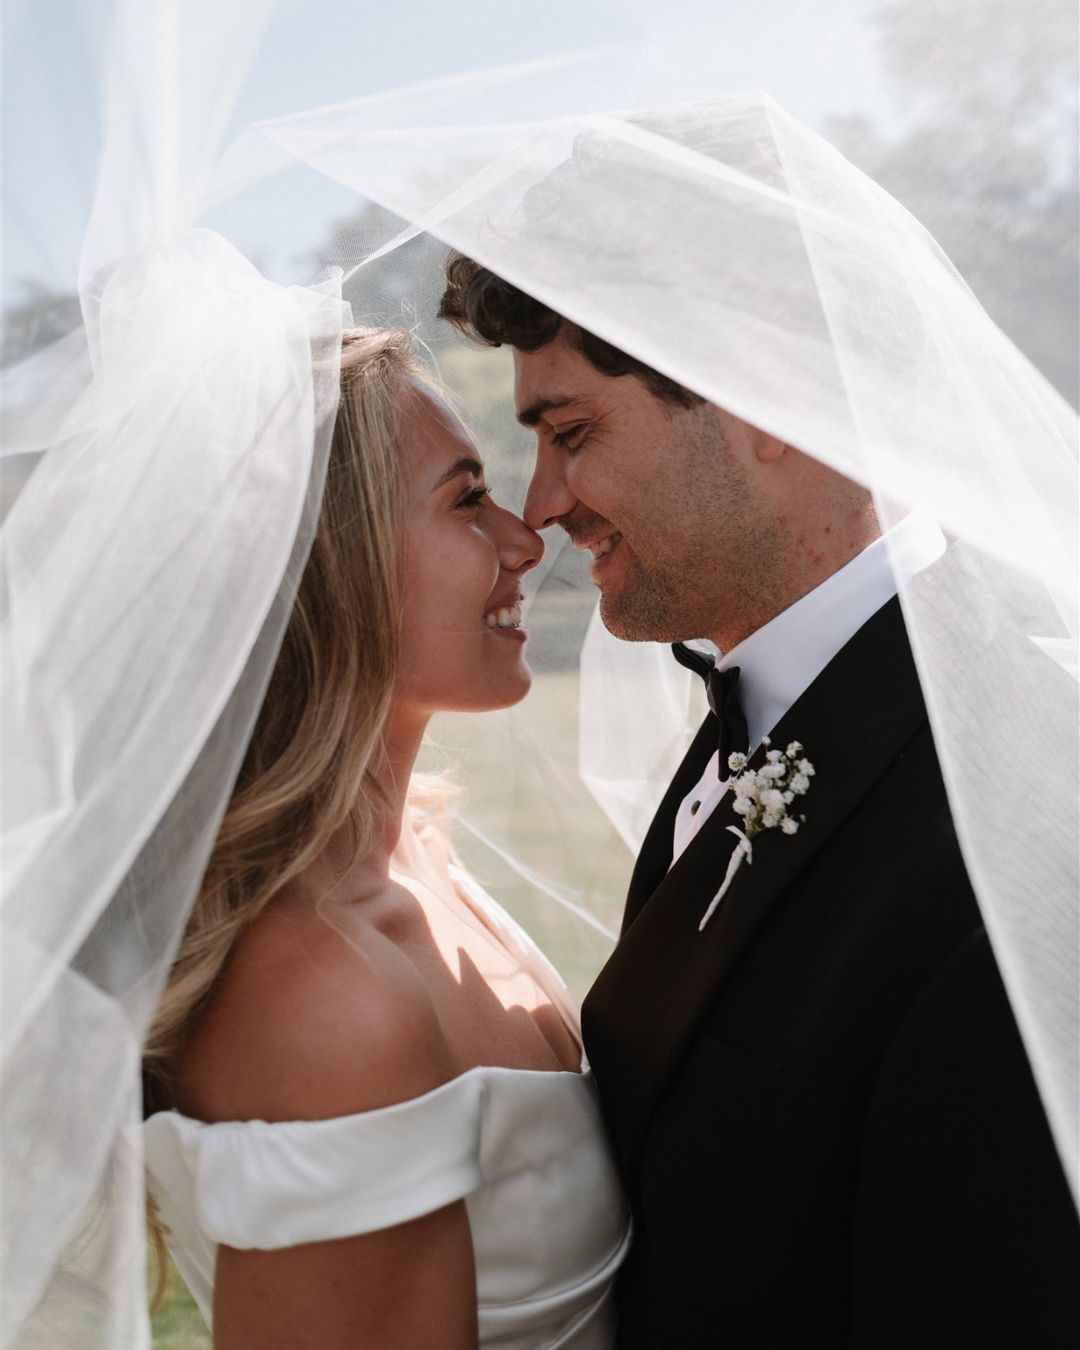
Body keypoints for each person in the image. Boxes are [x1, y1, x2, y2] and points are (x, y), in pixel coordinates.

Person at [438, 254, 1080, 1347]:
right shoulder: (762, 713)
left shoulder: (1015, 796)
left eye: (573, 433)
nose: (541, 509)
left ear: (766, 395)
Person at [140, 326, 629, 1349]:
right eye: (465, 500)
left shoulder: (418, 859)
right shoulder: (322, 1000)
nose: (525, 538)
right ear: (332, 565)